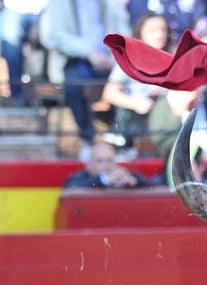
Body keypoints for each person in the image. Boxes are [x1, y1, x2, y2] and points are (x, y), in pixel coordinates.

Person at [39, 0, 131, 150]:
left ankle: (124, 140)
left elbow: (124, 32)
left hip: (112, 58)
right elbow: (55, 37)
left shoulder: (110, 3)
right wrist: (89, 53)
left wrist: (114, 56)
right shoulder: (58, 3)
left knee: (131, 82)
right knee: (75, 87)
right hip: (73, 59)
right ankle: (89, 140)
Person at [101, 14, 170, 153]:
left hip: (165, 119)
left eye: (163, 30)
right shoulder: (128, 59)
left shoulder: (173, 58)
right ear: (141, 33)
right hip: (136, 120)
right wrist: (136, 103)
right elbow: (109, 93)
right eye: (153, 30)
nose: (159, 34)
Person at [0, 0, 47, 106]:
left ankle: (38, 94)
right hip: (13, 9)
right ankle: (17, 95)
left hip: (47, 9)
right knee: (10, 42)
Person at [62, 138, 152, 188]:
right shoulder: (79, 177)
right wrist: (104, 180)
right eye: (99, 160)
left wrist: (133, 182)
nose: (106, 164)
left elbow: (152, 185)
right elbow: (72, 187)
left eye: (109, 160)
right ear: (89, 164)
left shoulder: (124, 174)